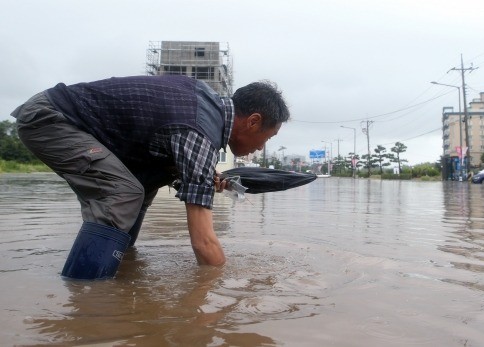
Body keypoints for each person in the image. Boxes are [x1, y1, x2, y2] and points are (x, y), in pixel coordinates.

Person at [11, 75, 290, 280]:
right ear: (253, 121)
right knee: (123, 193)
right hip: (50, 119)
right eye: (268, 136)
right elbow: (203, 241)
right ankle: (86, 297)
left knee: (142, 187)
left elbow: (174, 155)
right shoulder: (197, 130)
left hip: (83, 128)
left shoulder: (205, 111)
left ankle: (114, 266)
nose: (262, 146)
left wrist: (200, 177)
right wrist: (220, 287)